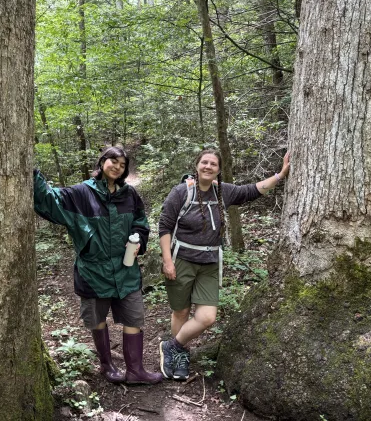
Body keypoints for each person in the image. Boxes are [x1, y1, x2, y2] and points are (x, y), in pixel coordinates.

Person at [34, 146, 163, 385]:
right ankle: (107, 365)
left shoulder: (129, 195)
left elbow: (141, 222)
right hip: (93, 273)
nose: (117, 166)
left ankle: (135, 370)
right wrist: (33, 174)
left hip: (126, 271)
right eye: (113, 161)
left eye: (122, 164)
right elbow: (50, 201)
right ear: (102, 162)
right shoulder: (81, 193)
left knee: (134, 317)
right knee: (97, 319)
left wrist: (138, 239)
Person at [158, 148, 290, 380]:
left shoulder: (223, 192)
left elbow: (252, 191)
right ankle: (179, 356)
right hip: (181, 260)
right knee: (181, 310)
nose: (208, 167)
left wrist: (280, 175)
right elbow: (165, 227)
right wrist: (167, 261)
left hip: (209, 262)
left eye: (213, 164)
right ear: (197, 165)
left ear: (218, 170)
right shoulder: (181, 192)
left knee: (207, 317)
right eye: (204, 163)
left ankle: (172, 346)